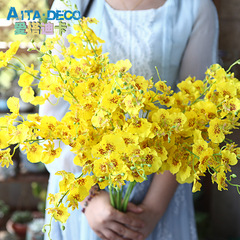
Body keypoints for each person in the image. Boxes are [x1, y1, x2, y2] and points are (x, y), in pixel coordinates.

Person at [40, 0, 219, 239]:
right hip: (83, 188)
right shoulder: (69, 5)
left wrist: (152, 210)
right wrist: (89, 199)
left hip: (160, 190)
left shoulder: (195, 8)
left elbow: (195, 116)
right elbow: (54, 116)